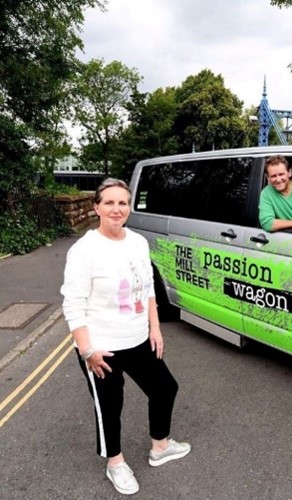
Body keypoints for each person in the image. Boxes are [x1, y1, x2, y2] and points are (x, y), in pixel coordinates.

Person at [61, 178, 190, 496]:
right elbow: (73, 303)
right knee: (110, 406)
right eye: (109, 202)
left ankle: (159, 446)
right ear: (96, 207)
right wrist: (87, 350)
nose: (117, 209)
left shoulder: (138, 242)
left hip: (138, 338)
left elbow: (147, 287)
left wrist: (155, 327)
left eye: (123, 203)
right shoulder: (84, 251)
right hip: (101, 346)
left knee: (164, 388)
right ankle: (115, 463)